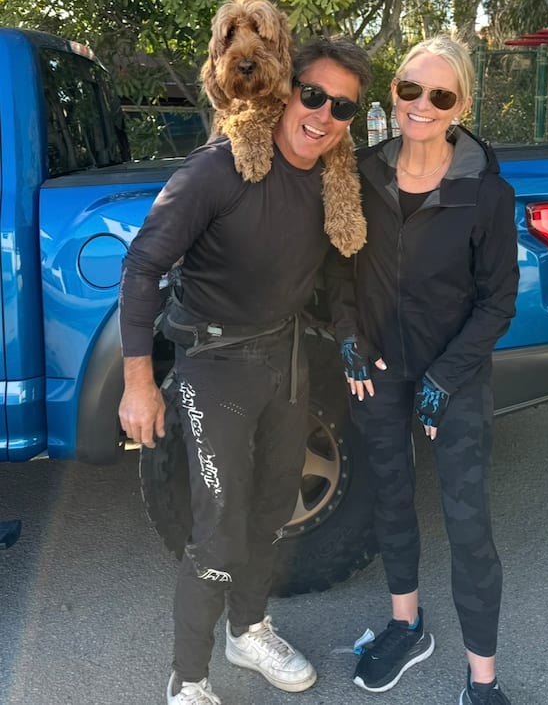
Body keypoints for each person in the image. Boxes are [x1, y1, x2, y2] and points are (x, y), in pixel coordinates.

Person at [118, 36, 370, 705]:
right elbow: (142, 266)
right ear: (287, 90)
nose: (323, 115)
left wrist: (351, 340)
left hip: (285, 358)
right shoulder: (218, 170)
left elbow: (340, 272)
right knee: (220, 528)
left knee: (272, 509)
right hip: (215, 364)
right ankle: (189, 680)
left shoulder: (333, 181)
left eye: (342, 107)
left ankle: (248, 630)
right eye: (313, 95)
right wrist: (138, 383)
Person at [339, 35, 519, 705]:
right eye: (411, 88)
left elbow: (498, 300)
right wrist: (348, 337)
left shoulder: (486, 193)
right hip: (380, 365)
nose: (422, 104)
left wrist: (445, 377)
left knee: (468, 522)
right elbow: (339, 269)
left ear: (460, 106)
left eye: (440, 95)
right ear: (394, 91)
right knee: (389, 494)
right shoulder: (359, 174)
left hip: (455, 370)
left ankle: (483, 682)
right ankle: (406, 625)